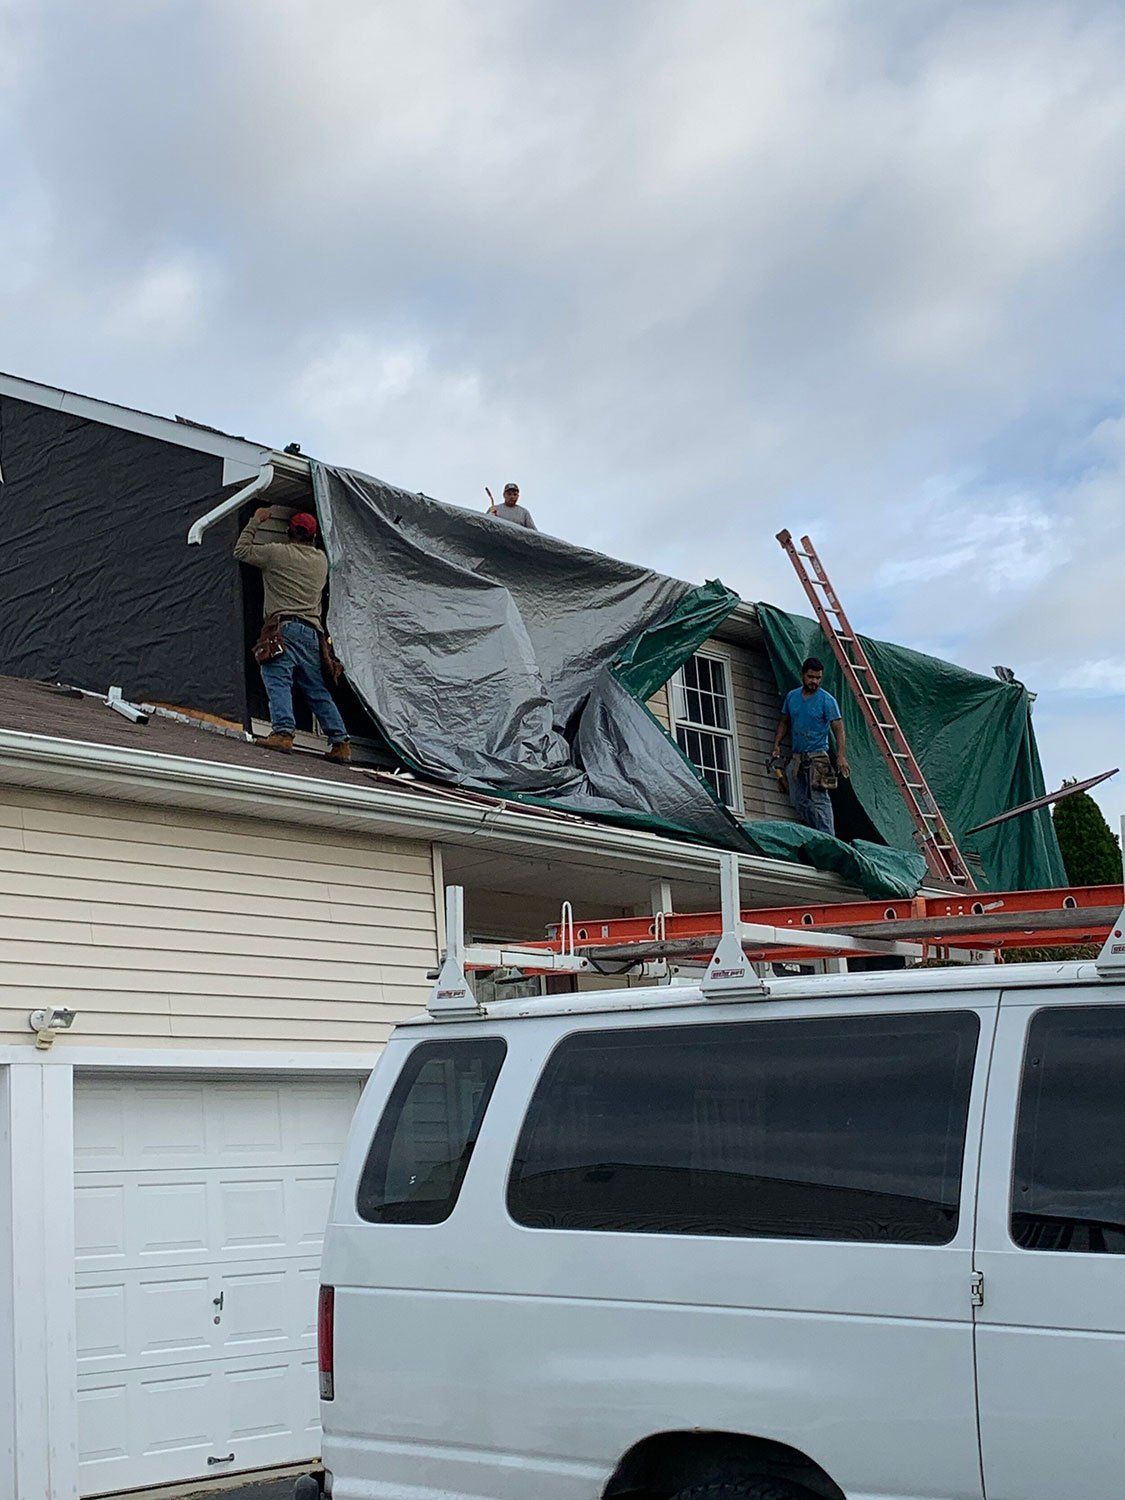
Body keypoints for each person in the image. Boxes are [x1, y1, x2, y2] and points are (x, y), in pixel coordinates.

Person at [234, 507, 351, 762]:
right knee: (317, 690)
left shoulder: (278, 553)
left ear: (289, 533)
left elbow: (241, 550)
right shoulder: (321, 561)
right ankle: (340, 743)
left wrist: (256, 521)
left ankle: (283, 733)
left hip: (283, 630)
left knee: (277, 679)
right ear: (313, 536)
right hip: (312, 634)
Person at [770, 656, 849, 835]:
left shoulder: (826, 700)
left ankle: (829, 837)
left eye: (818, 678)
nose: (814, 681)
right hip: (798, 756)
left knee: (820, 799)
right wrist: (777, 745)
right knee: (798, 799)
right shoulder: (792, 697)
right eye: (811, 677)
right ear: (803, 675)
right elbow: (784, 722)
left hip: (818, 756)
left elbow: (839, 728)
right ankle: (817, 830)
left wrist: (841, 755)